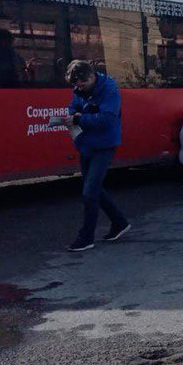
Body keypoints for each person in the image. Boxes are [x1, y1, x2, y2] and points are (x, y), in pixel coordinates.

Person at [64, 59, 130, 252]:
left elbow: (108, 120)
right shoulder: (80, 88)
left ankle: (86, 237)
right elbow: (73, 105)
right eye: (76, 85)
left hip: (104, 145)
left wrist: (78, 118)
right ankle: (119, 222)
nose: (79, 88)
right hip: (86, 144)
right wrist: (71, 115)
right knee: (93, 188)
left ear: (92, 77)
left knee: (90, 191)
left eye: (82, 84)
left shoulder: (109, 91)